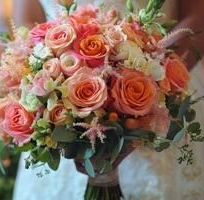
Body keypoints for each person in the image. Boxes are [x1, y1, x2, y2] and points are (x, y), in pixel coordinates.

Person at [12, 0, 204, 199]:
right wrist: (48, 73)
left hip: (162, 89)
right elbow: (26, 19)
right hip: (57, 98)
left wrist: (150, 87)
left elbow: (197, 16)